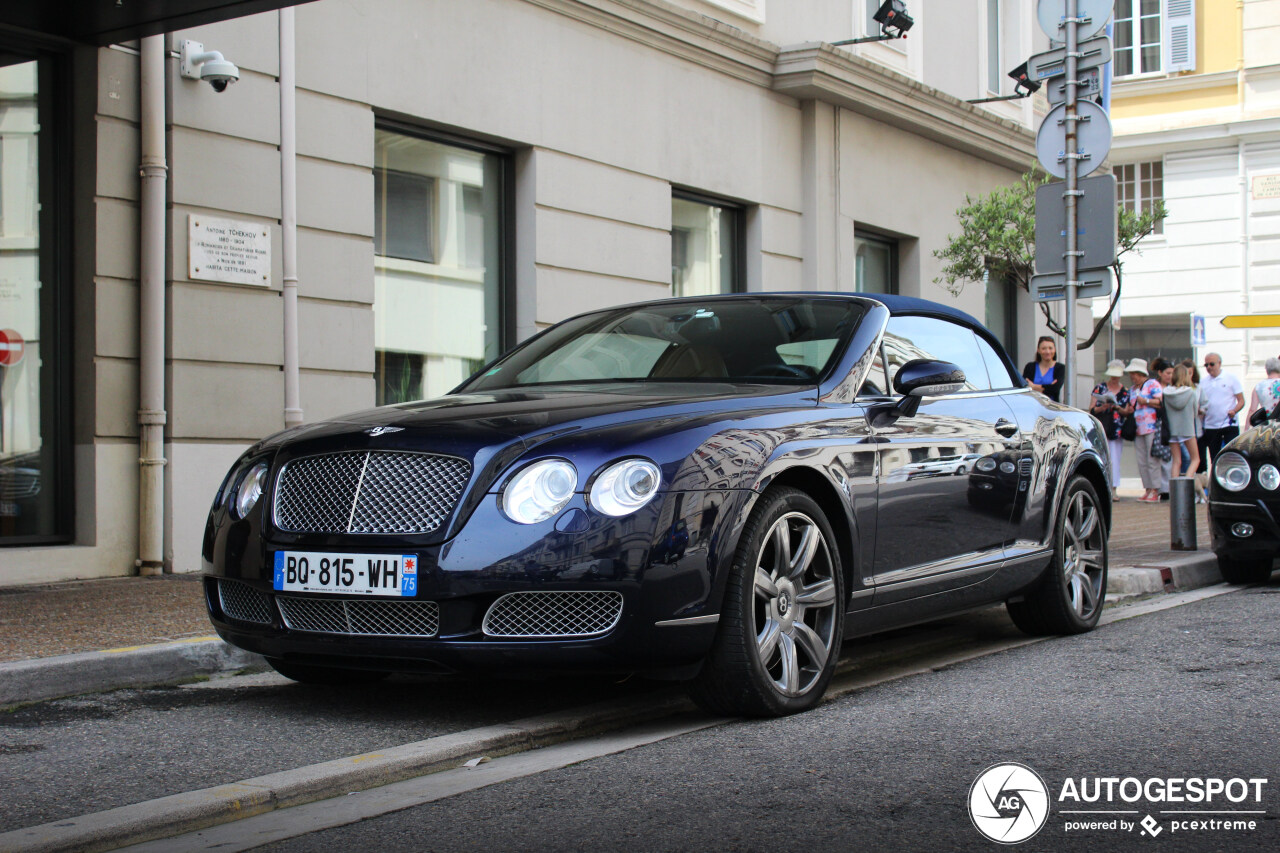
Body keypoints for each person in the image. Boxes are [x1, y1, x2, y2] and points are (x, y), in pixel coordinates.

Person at [1090, 359, 1131, 500]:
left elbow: (1127, 412)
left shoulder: (1125, 391)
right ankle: (1101, 487)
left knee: (1114, 458)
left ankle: (1113, 488)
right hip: (1102, 425)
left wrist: (1117, 408)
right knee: (1101, 457)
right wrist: (1103, 407)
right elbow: (1092, 409)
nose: (1114, 378)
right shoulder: (1100, 388)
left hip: (1116, 429)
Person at [1163, 363, 1203, 500]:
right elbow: (1195, 411)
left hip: (1172, 430)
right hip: (1187, 428)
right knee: (1195, 459)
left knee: (1176, 461)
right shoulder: (1190, 392)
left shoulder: (1166, 393)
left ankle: (1174, 494)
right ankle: (1187, 486)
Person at [1127, 358, 1164, 502]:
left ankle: (1155, 489)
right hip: (1138, 428)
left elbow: (1160, 402)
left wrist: (1146, 401)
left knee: (1151, 459)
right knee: (1141, 460)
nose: (1132, 376)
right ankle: (1147, 488)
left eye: (1134, 373)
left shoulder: (1152, 384)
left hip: (1151, 426)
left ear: (1140, 373)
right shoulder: (1133, 389)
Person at [1201, 353, 1244, 464]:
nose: (1209, 367)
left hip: (1229, 424)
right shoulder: (1203, 382)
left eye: (1212, 364)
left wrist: (1234, 410)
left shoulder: (1231, 378)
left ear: (1219, 363)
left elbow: (1241, 400)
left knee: (1232, 455)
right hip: (1211, 426)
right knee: (1215, 458)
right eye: (1206, 365)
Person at [1023, 336, 1064, 402]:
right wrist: (1048, 387)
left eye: (1050, 348)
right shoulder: (1030, 367)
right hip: (1032, 405)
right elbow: (1025, 388)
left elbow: (1054, 389)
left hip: (1052, 408)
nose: (1047, 352)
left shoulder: (1060, 368)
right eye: (1043, 348)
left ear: (1055, 349)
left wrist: (1033, 387)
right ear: (1038, 350)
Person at [1246, 357, 1280, 423]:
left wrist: (1246, 430)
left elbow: (1252, 410)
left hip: (1268, 426)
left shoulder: (1259, 386)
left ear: (1266, 369)